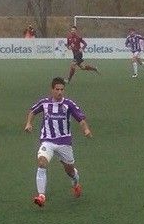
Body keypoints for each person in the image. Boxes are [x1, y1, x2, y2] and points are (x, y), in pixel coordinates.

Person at [24, 77, 93, 207]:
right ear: (52, 90)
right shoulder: (44, 103)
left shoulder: (69, 104)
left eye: (62, 89)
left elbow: (81, 119)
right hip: (47, 141)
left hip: (64, 142)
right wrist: (29, 123)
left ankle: (75, 182)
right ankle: (41, 196)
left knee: (70, 171)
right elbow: (32, 111)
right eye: (57, 89)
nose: (60, 92)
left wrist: (86, 130)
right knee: (42, 162)